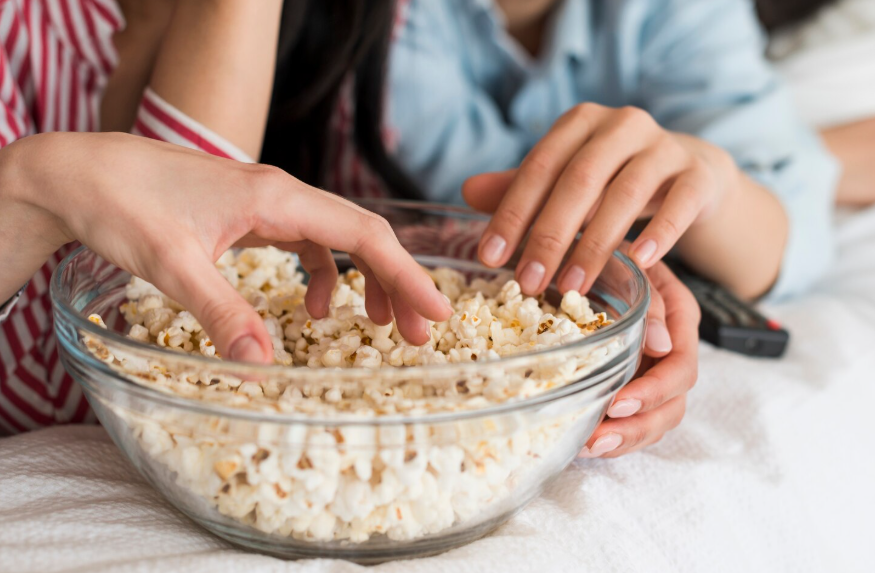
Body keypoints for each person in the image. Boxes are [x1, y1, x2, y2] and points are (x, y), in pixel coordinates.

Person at [0, 0, 698, 462]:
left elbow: (352, 233)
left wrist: (569, 293)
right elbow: (73, 374)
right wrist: (34, 187)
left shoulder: (357, 24)